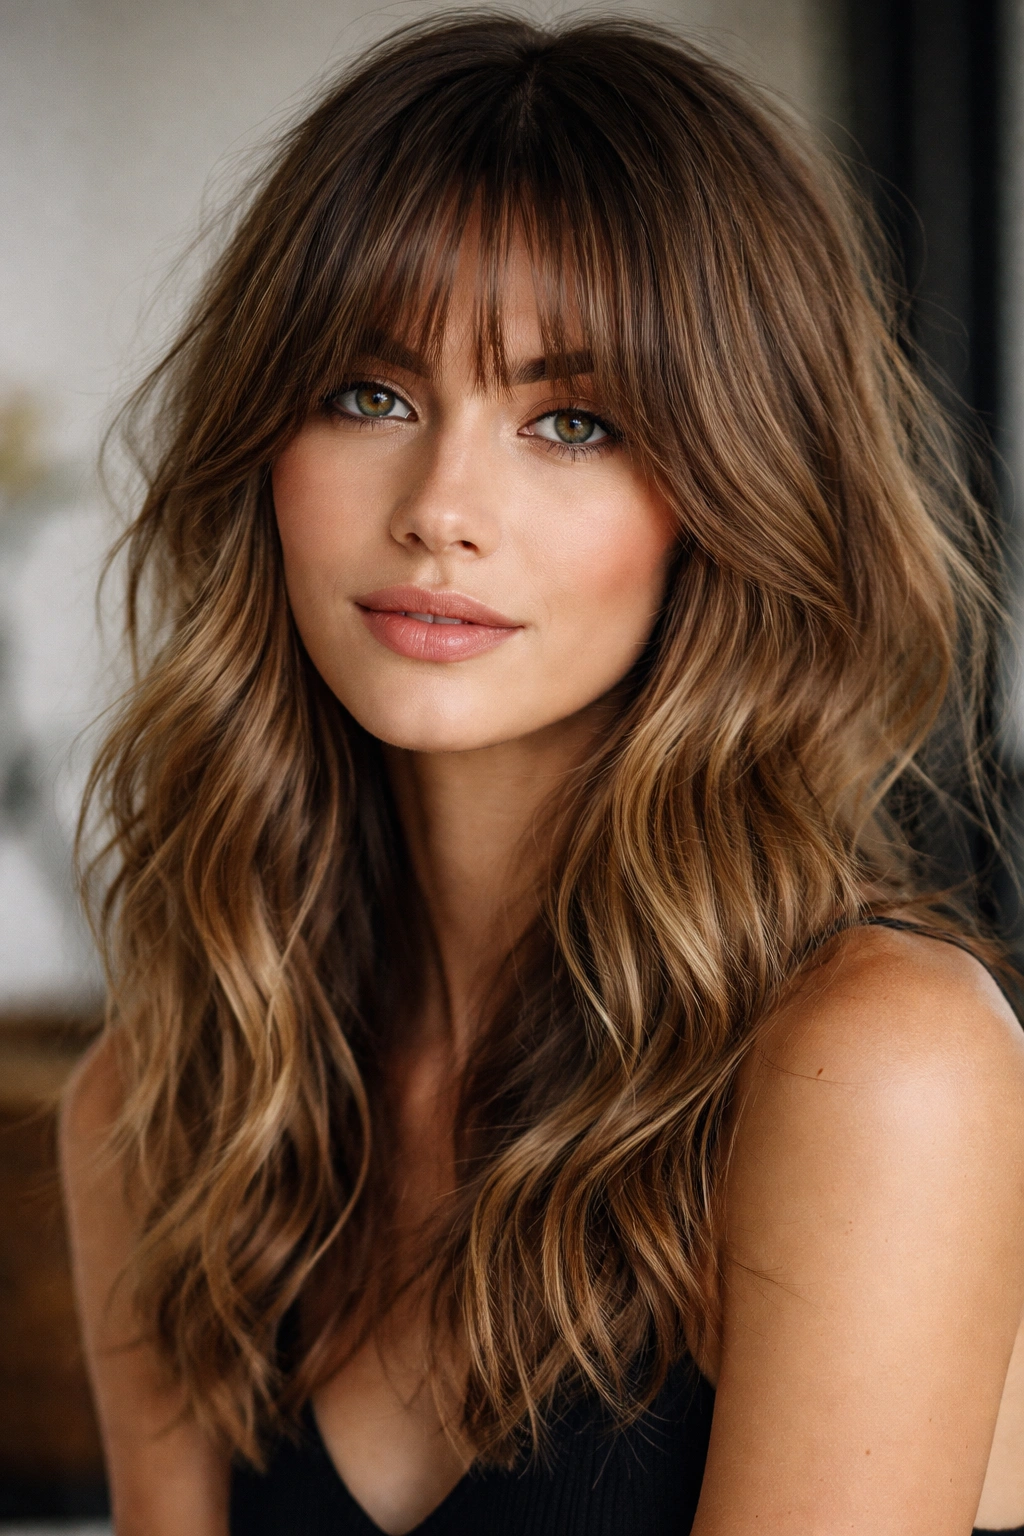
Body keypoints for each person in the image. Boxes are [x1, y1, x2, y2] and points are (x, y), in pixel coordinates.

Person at [60, 14, 1024, 1535]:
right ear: (263, 454)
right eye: (366, 395)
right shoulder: (170, 1102)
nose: (443, 507)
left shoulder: (874, 1068)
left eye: (573, 422)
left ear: (728, 496)